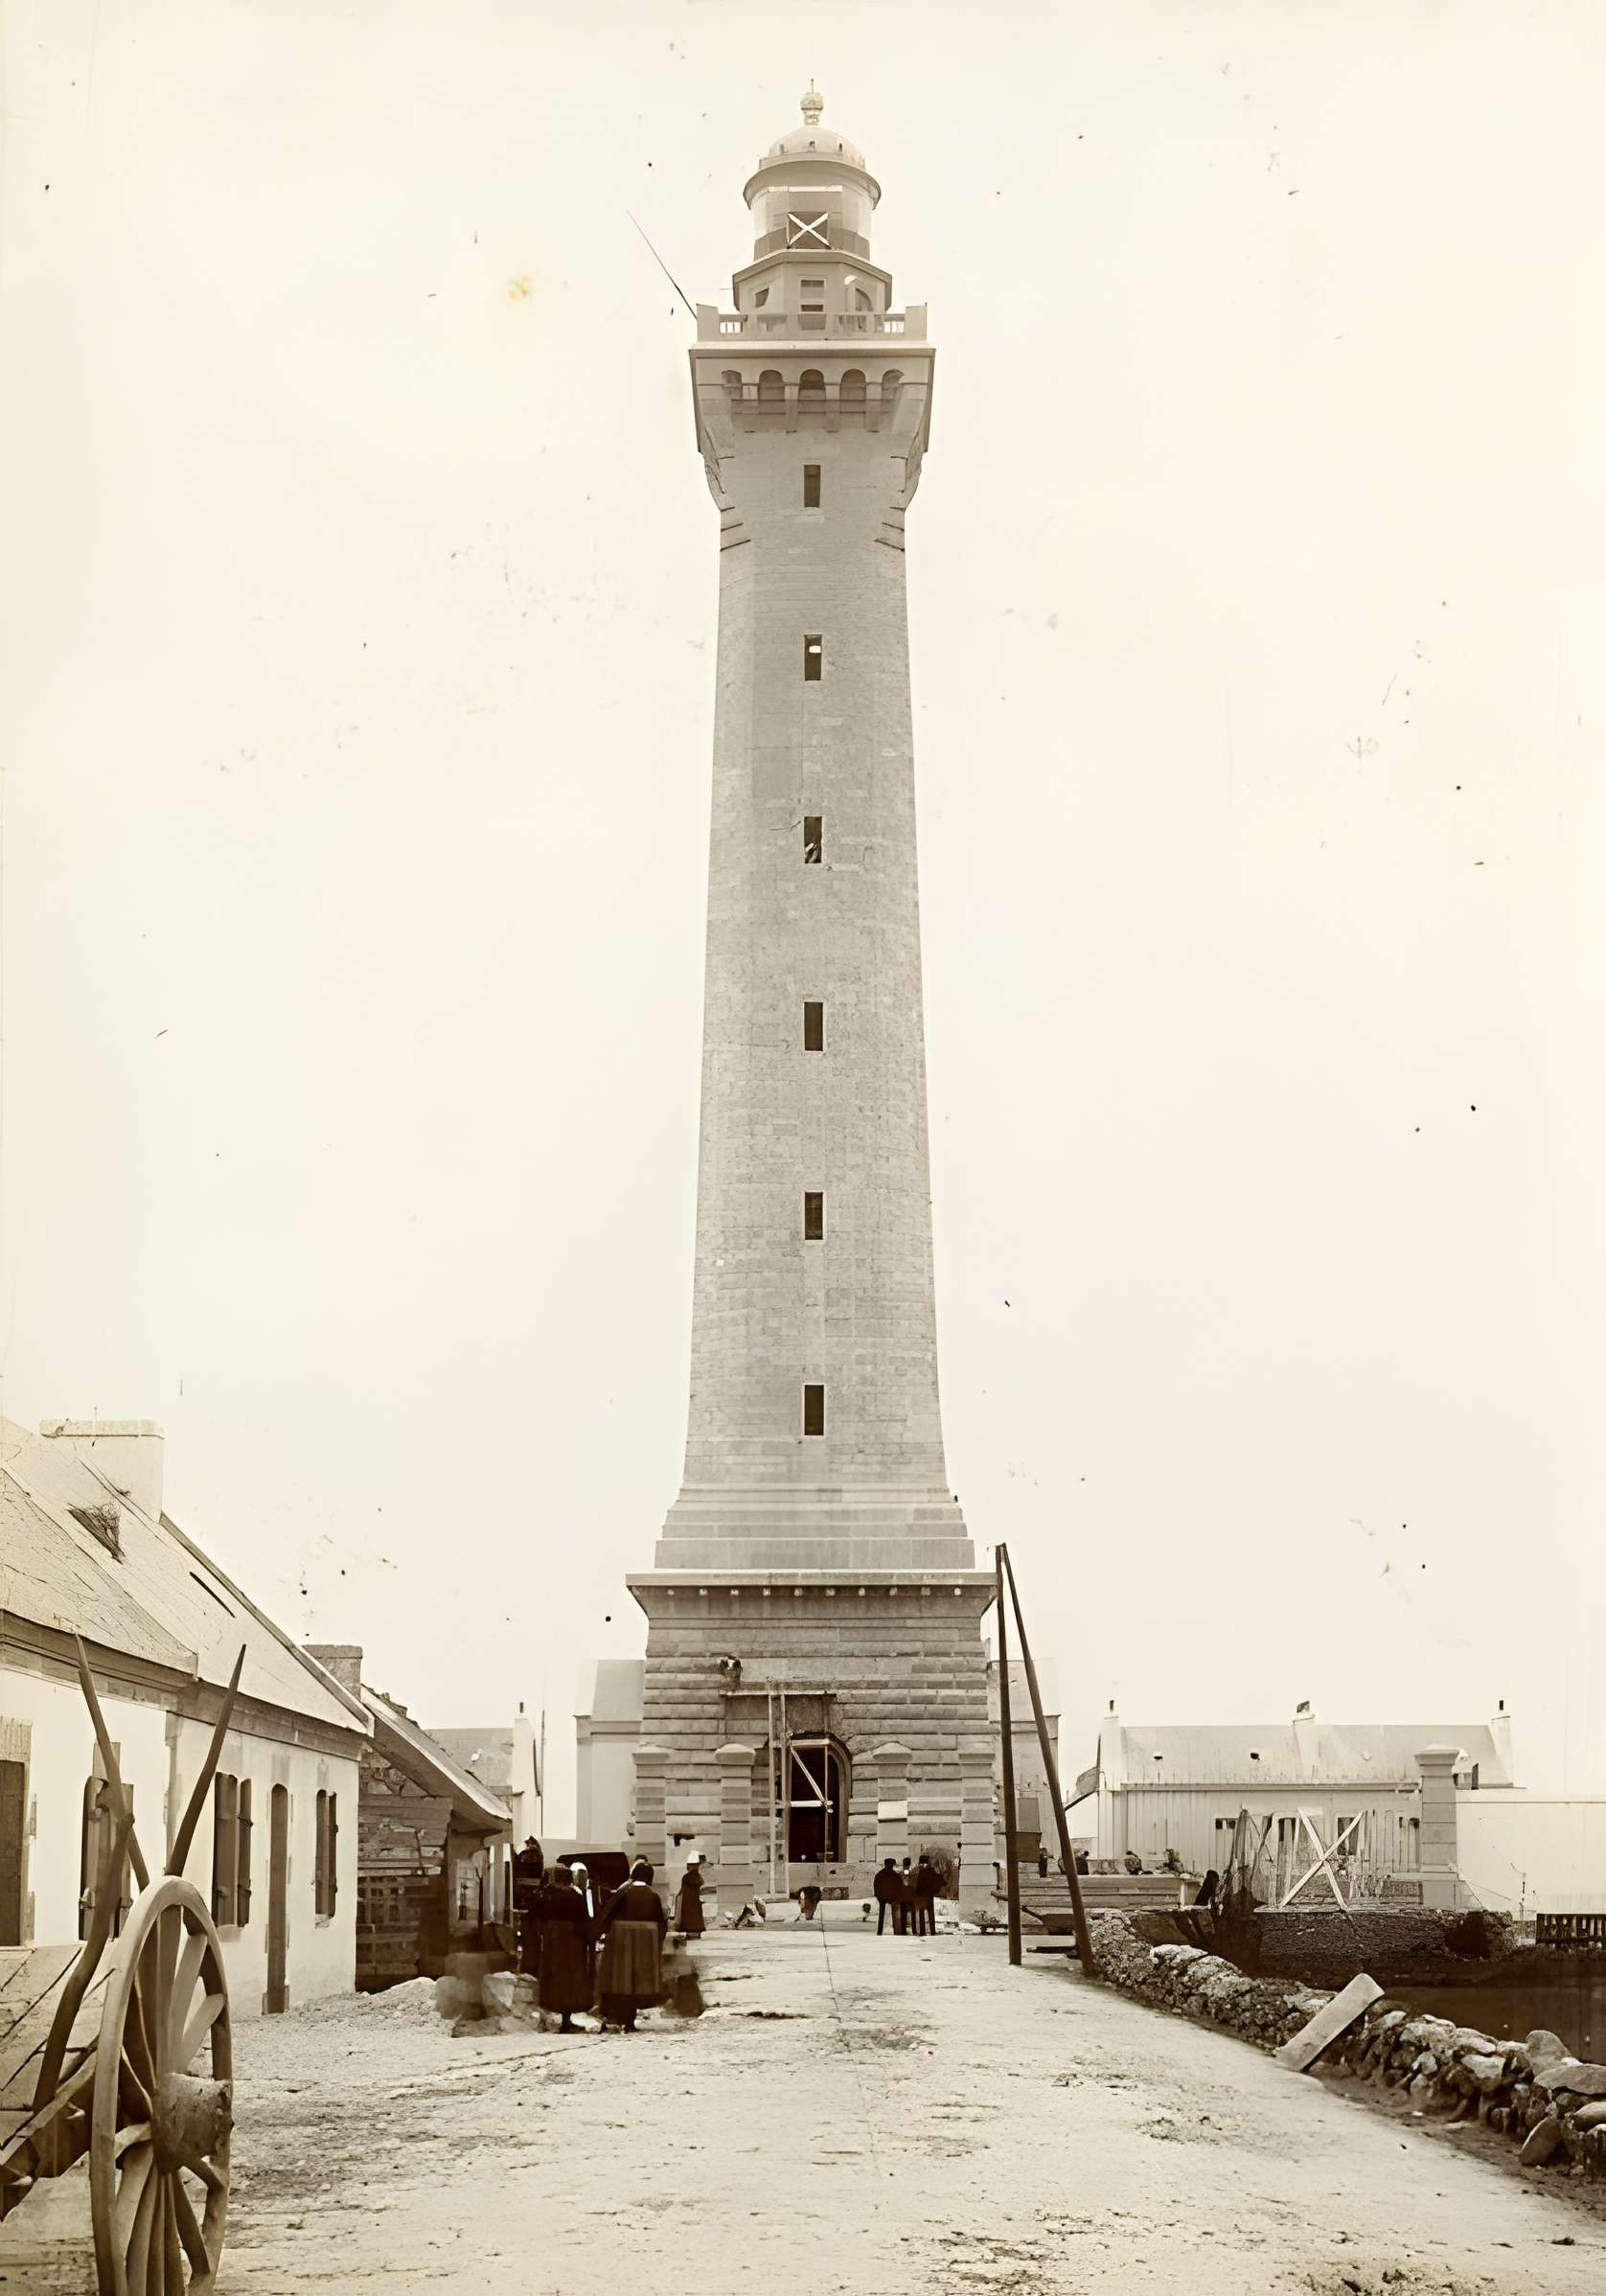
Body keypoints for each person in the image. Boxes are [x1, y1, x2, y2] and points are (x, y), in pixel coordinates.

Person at [595, 1860, 669, 2033]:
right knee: (636, 1984)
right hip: (644, 1948)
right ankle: (629, 2022)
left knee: (618, 1983)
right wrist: (656, 1944)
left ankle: (611, 2019)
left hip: (620, 1946)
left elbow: (606, 1915)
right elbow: (661, 1924)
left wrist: (599, 1934)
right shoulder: (653, 1896)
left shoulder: (623, 1892)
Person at [538, 1863, 594, 2033]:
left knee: (555, 1976)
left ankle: (555, 2011)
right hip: (572, 1941)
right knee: (570, 1978)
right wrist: (587, 1939)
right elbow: (582, 1920)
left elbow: (539, 1916)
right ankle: (566, 2019)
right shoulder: (574, 1894)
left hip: (552, 1941)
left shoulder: (547, 1894)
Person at [873, 1856, 900, 1937]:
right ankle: (896, 1930)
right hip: (892, 1897)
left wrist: (878, 1896)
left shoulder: (879, 1874)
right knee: (895, 1914)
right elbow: (899, 1886)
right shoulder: (895, 1875)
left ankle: (879, 1931)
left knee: (881, 1915)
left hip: (881, 1897)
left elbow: (876, 1885)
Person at [913, 1853, 937, 1937]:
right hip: (929, 1896)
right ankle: (932, 1931)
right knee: (930, 1914)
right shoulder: (932, 1871)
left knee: (922, 1913)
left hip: (922, 1896)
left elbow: (918, 1885)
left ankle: (923, 1931)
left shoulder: (921, 1872)